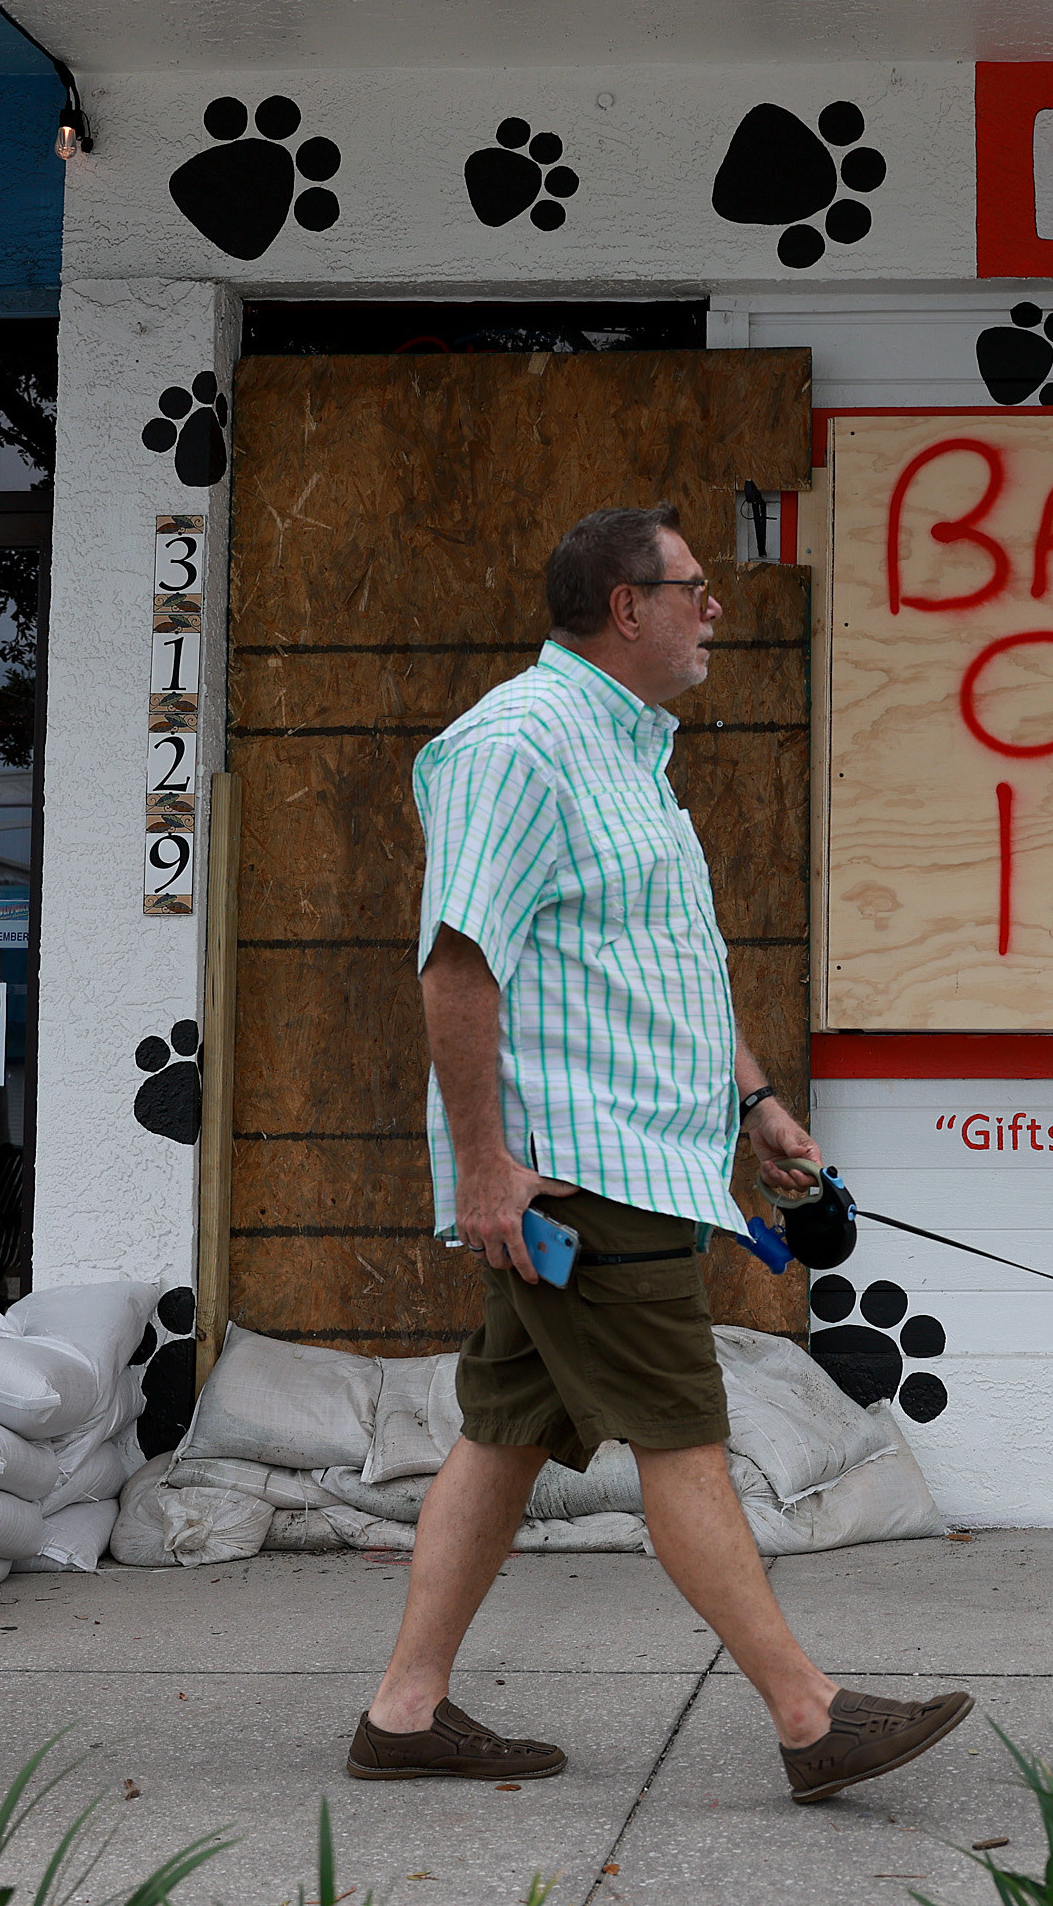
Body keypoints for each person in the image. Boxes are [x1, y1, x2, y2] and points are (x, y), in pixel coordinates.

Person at [352, 504, 971, 1803]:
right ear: (625, 607)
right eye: (694, 587)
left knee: (506, 1431)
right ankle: (810, 1717)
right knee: (684, 1436)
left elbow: (661, 970)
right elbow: (458, 964)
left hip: (648, 1156)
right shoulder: (517, 746)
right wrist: (484, 1170)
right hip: (583, 1175)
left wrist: (755, 1106)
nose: (716, 608)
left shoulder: (629, 754)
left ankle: (405, 1712)